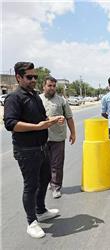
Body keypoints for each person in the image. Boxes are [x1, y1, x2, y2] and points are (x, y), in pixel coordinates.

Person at [3, 62, 64, 238]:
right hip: (26, 150)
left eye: (35, 77)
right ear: (18, 77)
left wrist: (53, 120)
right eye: (29, 77)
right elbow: (11, 124)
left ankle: (41, 210)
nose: (33, 80)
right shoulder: (14, 98)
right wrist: (38, 127)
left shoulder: (35, 96)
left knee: (45, 178)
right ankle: (31, 222)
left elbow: (42, 119)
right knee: (31, 185)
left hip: (42, 147)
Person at [40, 76, 76, 199]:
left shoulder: (62, 101)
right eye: (49, 85)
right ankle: (49, 181)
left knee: (57, 164)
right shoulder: (37, 100)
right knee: (45, 164)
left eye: (54, 86)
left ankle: (56, 187)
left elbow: (69, 117)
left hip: (58, 138)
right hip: (41, 138)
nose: (52, 88)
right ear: (43, 86)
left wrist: (73, 133)